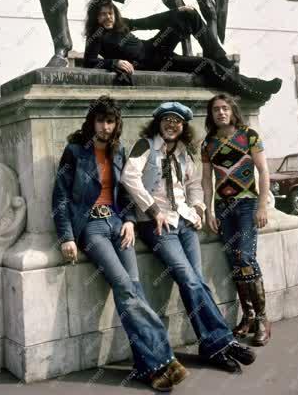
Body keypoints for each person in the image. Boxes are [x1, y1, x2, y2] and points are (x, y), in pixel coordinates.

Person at [51, 96, 188, 391]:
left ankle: (147, 368)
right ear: (92, 122)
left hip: (118, 225)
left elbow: (124, 193)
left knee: (134, 290)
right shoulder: (75, 151)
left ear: (116, 125)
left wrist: (127, 220)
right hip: (92, 229)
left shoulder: (119, 150)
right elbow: (60, 196)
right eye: (100, 120)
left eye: (110, 121)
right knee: (125, 288)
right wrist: (67, 237)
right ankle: (165, 358)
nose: (105, 126)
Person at [121, 101, 257, 374]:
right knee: (189, 278)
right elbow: (129, 177)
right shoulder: (145, 145)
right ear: (158, 123)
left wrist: (198, 208)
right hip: (157, 225)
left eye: (177, 122)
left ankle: (211, 346)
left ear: (183, 127)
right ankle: (222, 341)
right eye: (167, 120)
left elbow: (194, 183)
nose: (172, 125)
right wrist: (152, 208)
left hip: (184, 222)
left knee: (196, 282)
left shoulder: (184, 151)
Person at [83, 0, 282, 102]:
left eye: (110, 13)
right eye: (102, 14)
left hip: (155, 48)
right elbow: (89, 62)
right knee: (205, 65)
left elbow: (148, 21)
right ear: (96, 17)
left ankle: (226, 62)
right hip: (153, 63)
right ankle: (251, 88)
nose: (108, 17)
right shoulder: (96, 36)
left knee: (190, 15)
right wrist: (114, 62)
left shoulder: (121, 23)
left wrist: (176, 11)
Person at [201, 93, 272, 346]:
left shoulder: (249, 135)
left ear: (232, 111)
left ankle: (263, 318)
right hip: (222, 207)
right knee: (234, 260)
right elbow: (206, 181)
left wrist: (262, 206)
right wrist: (208, 210)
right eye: (215, 110)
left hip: (246, 204)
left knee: (245, 256)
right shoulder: (208, 143)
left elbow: (263, 171)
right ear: (211, 115)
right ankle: (249, 316)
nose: (220, 113)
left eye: (224, 108)